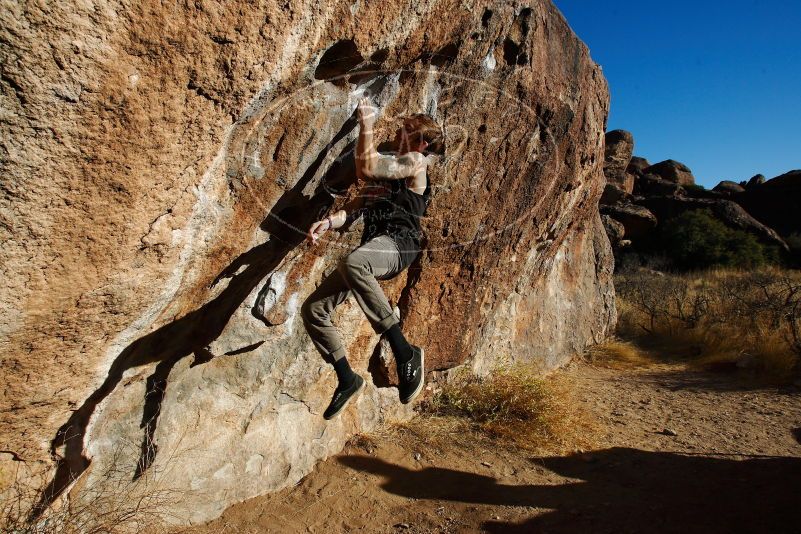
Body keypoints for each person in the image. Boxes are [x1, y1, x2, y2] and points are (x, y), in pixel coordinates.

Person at [300, 97, 445, 419]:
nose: (397, 133)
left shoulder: (416, 162)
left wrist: (366, 124)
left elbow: (366, 166)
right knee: (314, 310)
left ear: (421, 142)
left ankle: (404, 351)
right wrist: (329, 222)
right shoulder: (386, 174)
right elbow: (353, 210)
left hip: (399, 244)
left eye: (406, 130)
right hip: (373, 249)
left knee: (355, 262)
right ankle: (346, 378)